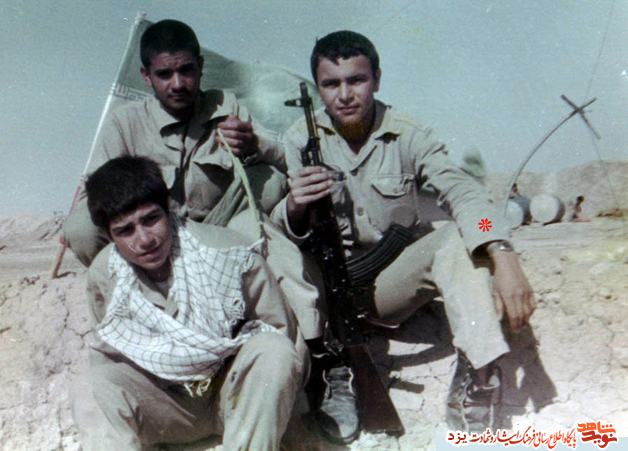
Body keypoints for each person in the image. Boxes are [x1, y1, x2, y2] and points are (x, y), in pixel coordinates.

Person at [270, 31, 536, 441]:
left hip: (388, 287)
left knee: (456, 237)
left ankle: (480, 374)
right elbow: (283, 227)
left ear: (376, 79)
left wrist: (501, 251)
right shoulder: (298, 139)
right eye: (331, 84)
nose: (344, 95)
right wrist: (294, 205)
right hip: (326, 292)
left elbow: (465, 194)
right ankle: (334, 374)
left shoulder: (410, 134)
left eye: (356, 80)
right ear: (318, 88)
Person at [62, 19, 325, 349]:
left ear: (200, 67)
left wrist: (254, 143)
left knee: (268, 223)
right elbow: (97, 194)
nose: (177, 84)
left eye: (186, 71)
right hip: (156, 241)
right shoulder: (126, 122)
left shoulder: (225, 106)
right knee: (81, 227)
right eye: (164, 74)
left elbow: (290, 163)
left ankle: (315, 349)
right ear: (146, 76)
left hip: (221, 230)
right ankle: (141, 303)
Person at [69, 156, 310, 450]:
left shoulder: (228, 253)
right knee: (89, 386)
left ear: (168, 208)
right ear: (109, 236)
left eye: (151, 219)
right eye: (125, 230)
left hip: (230, 398)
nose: (144, 240)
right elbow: (108, 358)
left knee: (273, 348)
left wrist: (288, 420)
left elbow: (280, 332)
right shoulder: (105, 274)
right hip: (164, 405)